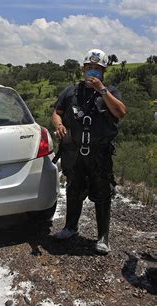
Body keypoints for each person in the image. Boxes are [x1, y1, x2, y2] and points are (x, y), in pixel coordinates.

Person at [51, 48, 126, 254]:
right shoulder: (70, 92)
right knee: (74, 191)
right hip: (74, 154)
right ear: (83, 69)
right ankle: (70, 228)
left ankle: (103, 238)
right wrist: (58, 125)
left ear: (103, 72)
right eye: (90, 68)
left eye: (98, 69)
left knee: (102, 195)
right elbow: (56, 113)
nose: (93, 72)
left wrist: (102, 90)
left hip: (99, 155)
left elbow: (120, 112)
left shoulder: (110, 92)